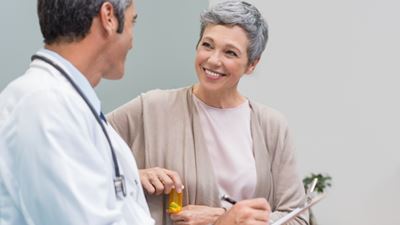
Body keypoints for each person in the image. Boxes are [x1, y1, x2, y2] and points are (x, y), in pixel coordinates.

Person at [0, 1, 270, 225]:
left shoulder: (68, 105)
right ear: (109, 17)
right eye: (133, 22)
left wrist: (132, 176)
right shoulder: (46, 106)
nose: (132, 40)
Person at [107, 1, 308, 225]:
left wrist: (225, 220)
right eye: (207, 45)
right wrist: (134, 174)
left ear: (251, 64)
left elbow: (297, 218)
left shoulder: (272, 126)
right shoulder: (151, 108)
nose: (213, 60)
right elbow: (81, 153)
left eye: (230, 53)